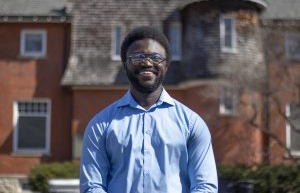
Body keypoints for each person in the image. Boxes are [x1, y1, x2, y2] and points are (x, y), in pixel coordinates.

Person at [80, 26, 218, 193]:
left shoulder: (192, 124)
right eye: (137, 57)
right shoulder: (100, 125)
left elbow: (205, 186)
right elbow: (92, 187)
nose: (146, 63)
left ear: (166, 65)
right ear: (125, 65)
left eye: (155, 57)